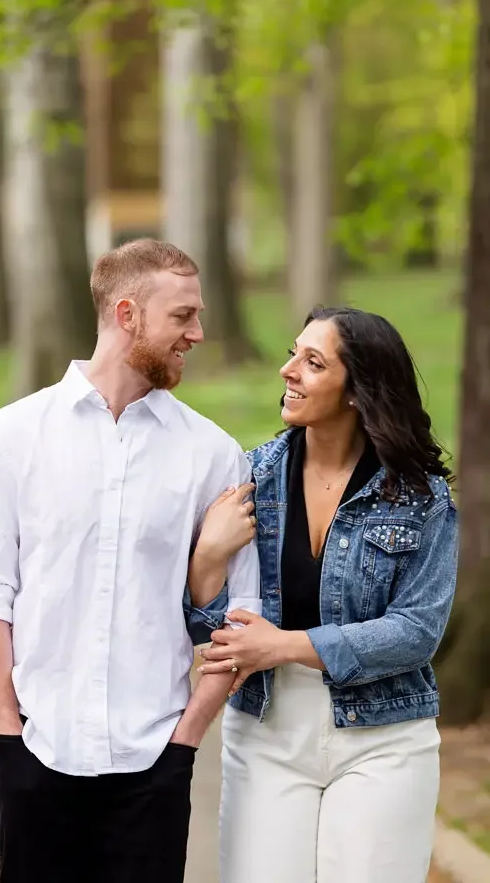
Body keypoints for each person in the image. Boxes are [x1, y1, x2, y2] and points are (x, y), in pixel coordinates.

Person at [0, 238, 261, 883]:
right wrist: (8, 735)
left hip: (153, 763)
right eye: (182, 316)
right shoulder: (12, 435)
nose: (198, 333)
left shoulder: (215, 455)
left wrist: (184, 744)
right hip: (36, 751)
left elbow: (242, 617)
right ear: (128, 314)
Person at [198, 306, 458, 883]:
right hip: (266, 731)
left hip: (384, 738)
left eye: (313, 362)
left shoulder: (419, 497)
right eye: (293, 353)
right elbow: (209, 621)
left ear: (358, 391)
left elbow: (417, 631)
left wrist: (284, 646)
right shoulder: (250, 479)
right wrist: (208, 556)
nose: (288, 370)